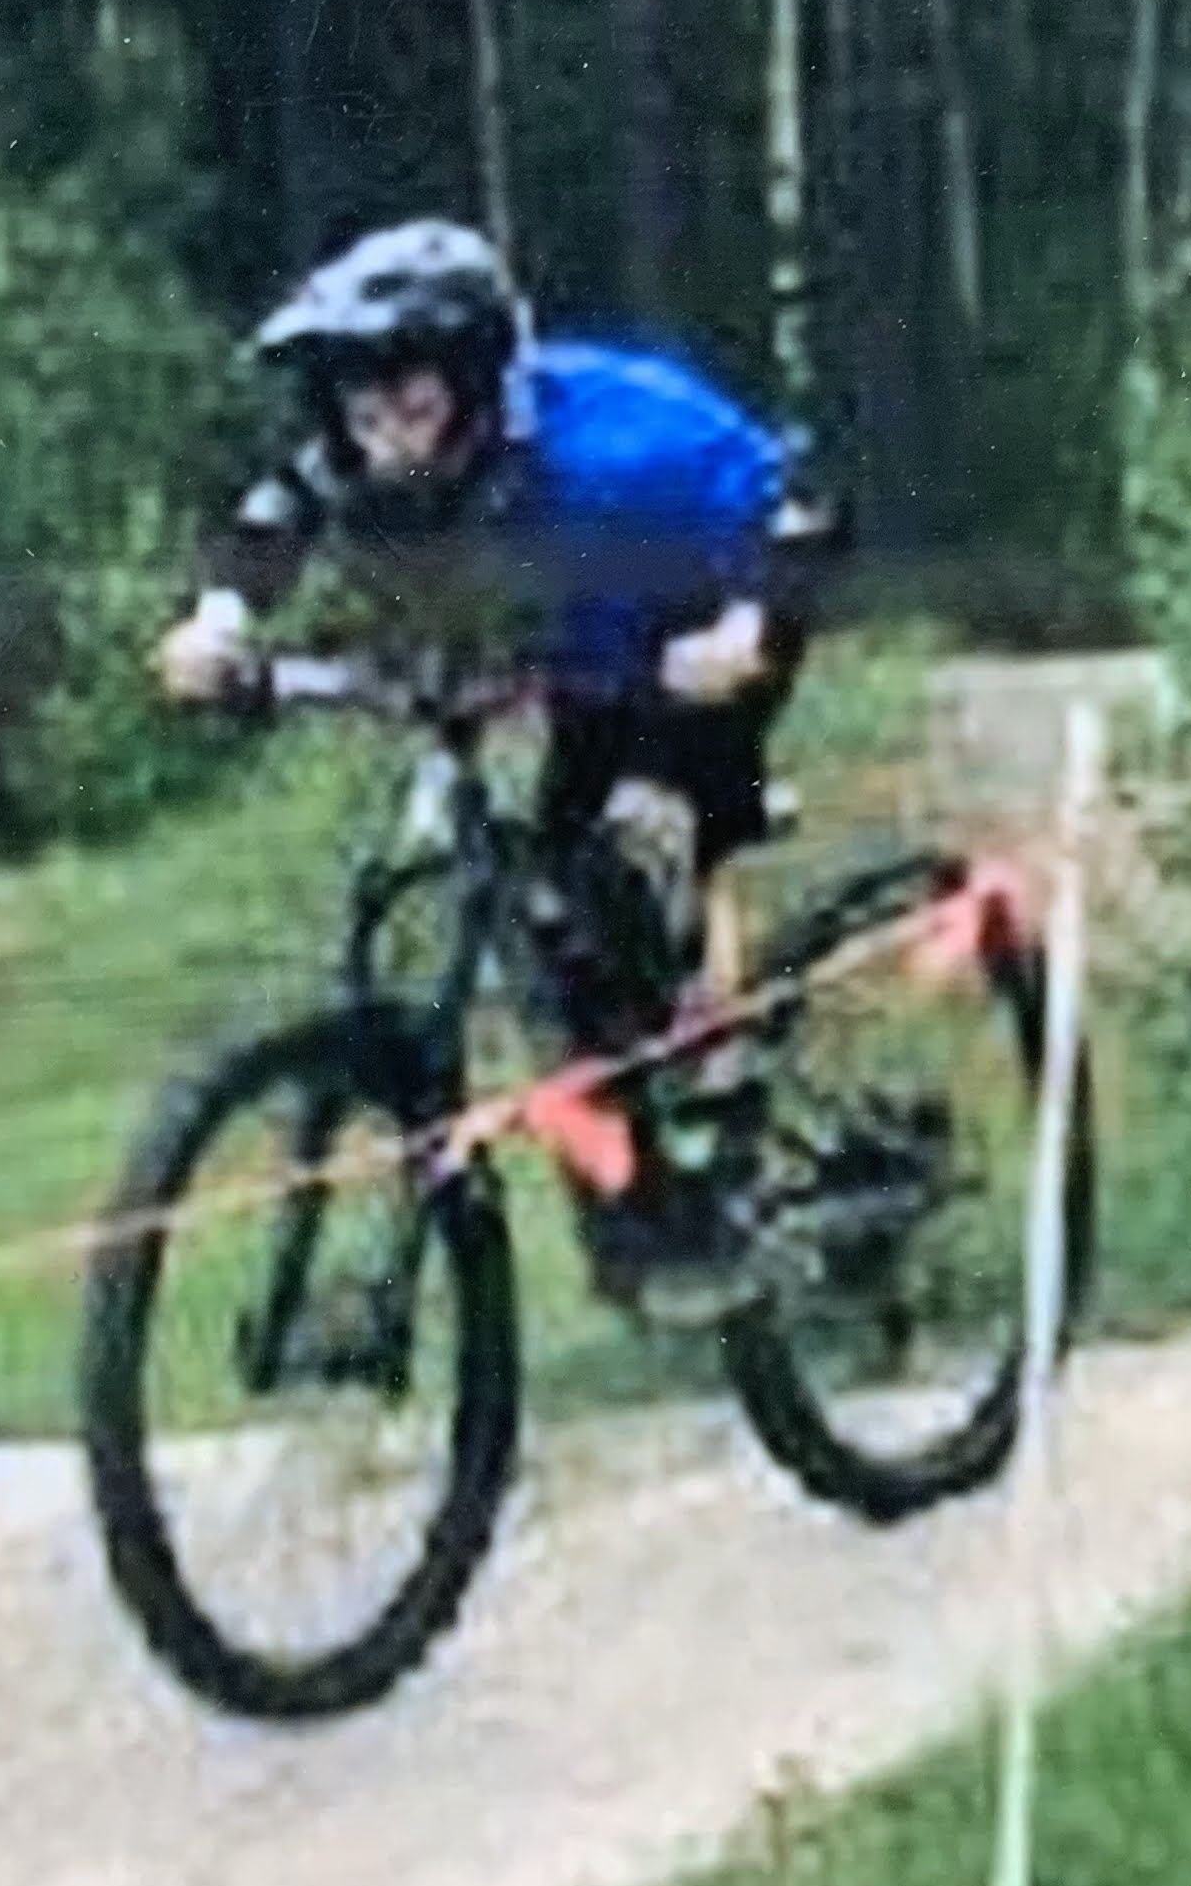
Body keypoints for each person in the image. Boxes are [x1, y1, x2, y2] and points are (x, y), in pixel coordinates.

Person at [152, 217, 829, 1309]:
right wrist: (218, 625)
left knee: (642, 845)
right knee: (557, 914)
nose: (383, 428)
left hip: (699, 634)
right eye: (358, 398)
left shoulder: (618, 438)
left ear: (471, 380)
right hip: (578, 662)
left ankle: (726, 1085)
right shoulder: (367, 448)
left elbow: (799, 509)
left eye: (408, 394)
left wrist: (751, 629)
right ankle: (646, 1196)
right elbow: (276, 517)